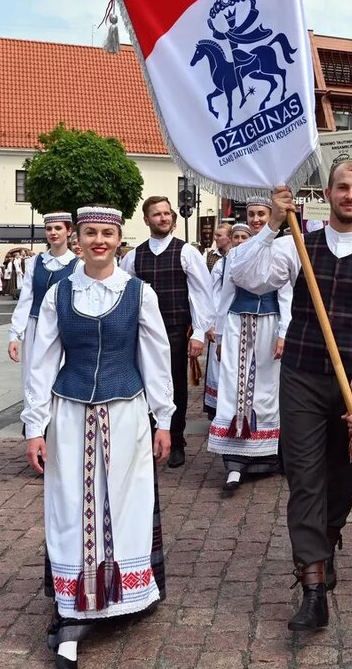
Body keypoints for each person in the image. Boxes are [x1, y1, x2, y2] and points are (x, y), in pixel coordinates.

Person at [229, 162, 352, 632]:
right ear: (328, 193)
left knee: (341, 480)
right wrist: (272, 222)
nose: (349, 195)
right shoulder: (297, 245)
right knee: (305, 478)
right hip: (301, 378)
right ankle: (312, 586)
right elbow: (247, 276)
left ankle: (328, 543)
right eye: (342, 188)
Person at [21, 205, 173, 669]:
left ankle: (124, 592)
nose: (98, 241)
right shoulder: (60, 293)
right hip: (69, 413)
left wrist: (163, 418)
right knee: (70, 503)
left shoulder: (138, 292)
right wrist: (33, 425)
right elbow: (41, 359)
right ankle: (73, 605)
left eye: (107, 233)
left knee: (125, 500)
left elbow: (155, 354)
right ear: (78, 239)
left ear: (118, 238)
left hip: (126, 411)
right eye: (91, 233)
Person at [120, 196, 214, 469]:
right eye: (156, 214)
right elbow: (126, 294)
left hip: (175, 329)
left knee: (174, 386)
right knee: (145, 383)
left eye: (166, 213)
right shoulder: (134, 256)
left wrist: (198, 332)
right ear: (146, 219)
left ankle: (176, 439)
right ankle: (150, 436)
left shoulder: (186, 252)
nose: (163, 218)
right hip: (145, 331)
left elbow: (201, 294)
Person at [207, 200, 290, 492]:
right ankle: (234, 463)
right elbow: (225, 295)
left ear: (271, 217)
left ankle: (268, 457)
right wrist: (218, 336)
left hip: (269, 324)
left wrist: (283, 332)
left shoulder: (281, 249)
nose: (256, 220)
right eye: (252, 215)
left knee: (267, 389)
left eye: (261, 215)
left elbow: (287, 294)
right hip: (236, 323)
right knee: (234, 386)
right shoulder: (236, 253)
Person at [8, 213, 79, 389]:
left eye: (58, 228)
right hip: (35, 325)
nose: (53, 232)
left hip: (62, 328)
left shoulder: (77, 265)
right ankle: (35, 415)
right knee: (32, 375)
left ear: (69, 231)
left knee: (59, 373)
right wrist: (15, 335)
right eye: (49, 229)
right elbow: (25, 300)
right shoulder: (35, 262)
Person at [203, 224, 238, 421]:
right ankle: (219, 409)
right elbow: (213, 294)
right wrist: (211, 322)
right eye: (237, 237)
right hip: (222, 319)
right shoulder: (221, 264)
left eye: (244, 237)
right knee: (220, 365)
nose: (240, 241)